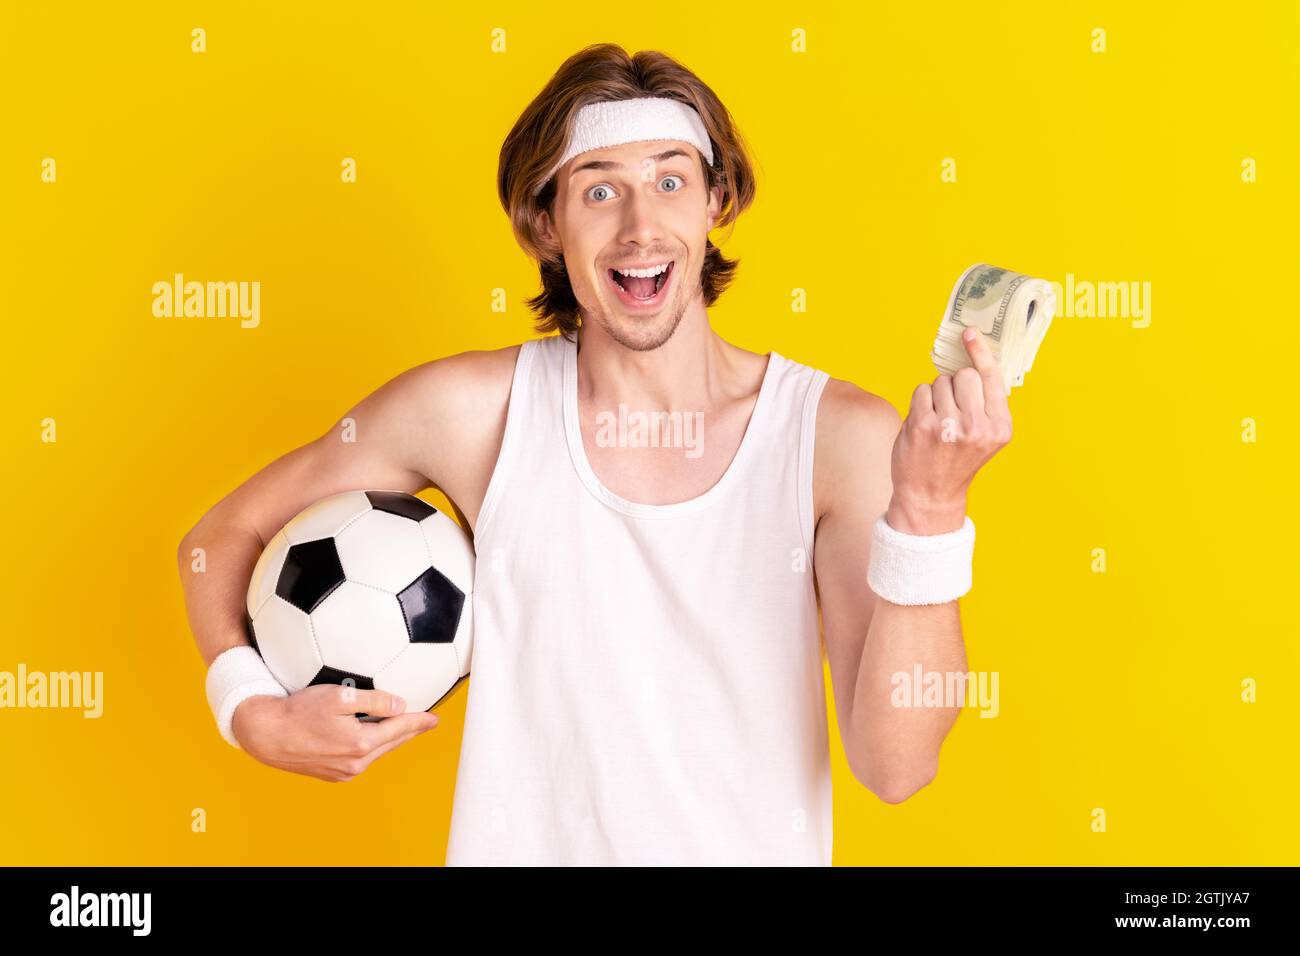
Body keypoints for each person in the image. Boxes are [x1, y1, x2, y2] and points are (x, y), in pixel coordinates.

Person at [177, 43, 1012, 866]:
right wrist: (249, 708)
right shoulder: (472, 415)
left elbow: (896, 767)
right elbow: (221, 536)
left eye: (671, 181)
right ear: (547, 222)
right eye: (600, 189)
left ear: (715, 200)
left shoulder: (834, 436)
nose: (641, 227)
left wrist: (931, 515)